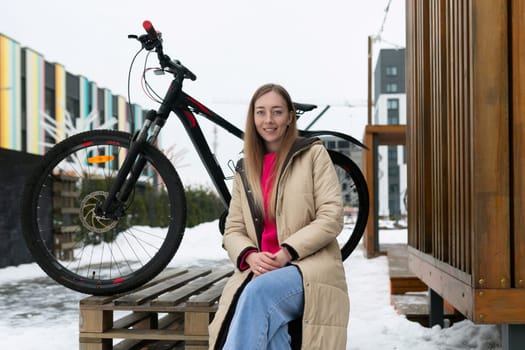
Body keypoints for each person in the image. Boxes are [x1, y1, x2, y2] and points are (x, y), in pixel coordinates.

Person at [208, 83, 349, 349]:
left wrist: (286, 252)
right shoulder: (245, 169)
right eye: (260, 112)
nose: (268, 120)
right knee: (272, 336)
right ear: (252, 118)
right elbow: (233, 228)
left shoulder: (312, 154)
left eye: (277, 112)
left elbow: (331, 216)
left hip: (307, 267)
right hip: (260, 269)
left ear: (289, 117)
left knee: (257, 295)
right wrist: (250, 255)